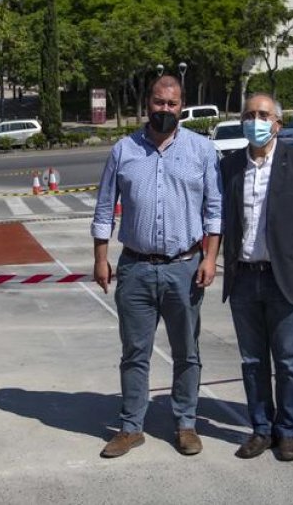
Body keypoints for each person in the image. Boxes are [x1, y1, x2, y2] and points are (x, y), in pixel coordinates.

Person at [91, 75, 222, 459]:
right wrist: (101, 258)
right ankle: (131, 427)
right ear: (147, 103)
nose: (165, 110)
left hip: (185, 267)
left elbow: (214, 211)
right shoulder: (123, 150)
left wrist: (211, 258)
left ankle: (185, 424)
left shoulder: (202, 150)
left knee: (187, 352)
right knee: (135, 352)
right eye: (159, 102)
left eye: (172, 104)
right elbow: (103, 209)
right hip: (135, 268)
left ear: (182, 106)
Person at [219, 93, 293, 461]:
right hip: (244, 280)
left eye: (263, 114)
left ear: (278, 123)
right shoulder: (230, 166)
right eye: (249, 114)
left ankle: (288, 431)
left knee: (288, 362)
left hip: (285, 280)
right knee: (252, 362)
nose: (256, 120)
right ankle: (261, 429)